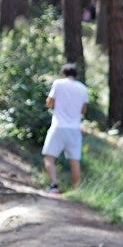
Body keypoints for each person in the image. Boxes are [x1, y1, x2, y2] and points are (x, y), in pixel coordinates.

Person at [42, 63, 89, 193]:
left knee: (49, 157)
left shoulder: (58, 83)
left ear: (63, 73)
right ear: (75, 75)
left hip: (58, 126)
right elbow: (83, 110)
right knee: (75, 161)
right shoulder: (83, 89)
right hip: (75, 129)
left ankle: (54, 185)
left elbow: (49, 103)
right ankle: (76, 190)